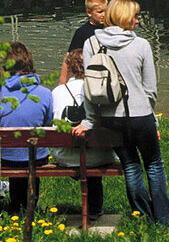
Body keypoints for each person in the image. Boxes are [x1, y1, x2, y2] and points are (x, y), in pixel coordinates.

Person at [72, 0, 169, 226]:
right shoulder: (141, 45)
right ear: (126, 18)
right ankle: (163, 221)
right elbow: (150, 89)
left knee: (131, 165)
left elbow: (90, 87)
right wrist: (151, 117)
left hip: (110, 118)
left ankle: (142, 216)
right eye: (135, 16)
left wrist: (90, 120)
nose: (138, 21)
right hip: (140, 115)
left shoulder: (92, 44)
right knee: (154, 165)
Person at [51, 50, 113, 220]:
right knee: (91, 154)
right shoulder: (99, 91)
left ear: (69, 68)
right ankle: (94, 209)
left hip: (65, 156)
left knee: (83, 153)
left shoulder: (57, 92)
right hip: (98, 155)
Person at [0, 42, 53, 214]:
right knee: (31, 152)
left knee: (16, 152)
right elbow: (48, 123)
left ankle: (16, 207)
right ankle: (29, 205)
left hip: (6, 157)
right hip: (36, 157)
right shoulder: (45, 93)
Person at [59, 0, 107, 85]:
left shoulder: (109, 28)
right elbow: (69, 56)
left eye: (106, 11)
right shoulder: (82, 32)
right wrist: (63, 81)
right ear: (89, 12)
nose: (104, 15)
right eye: (100, 12)